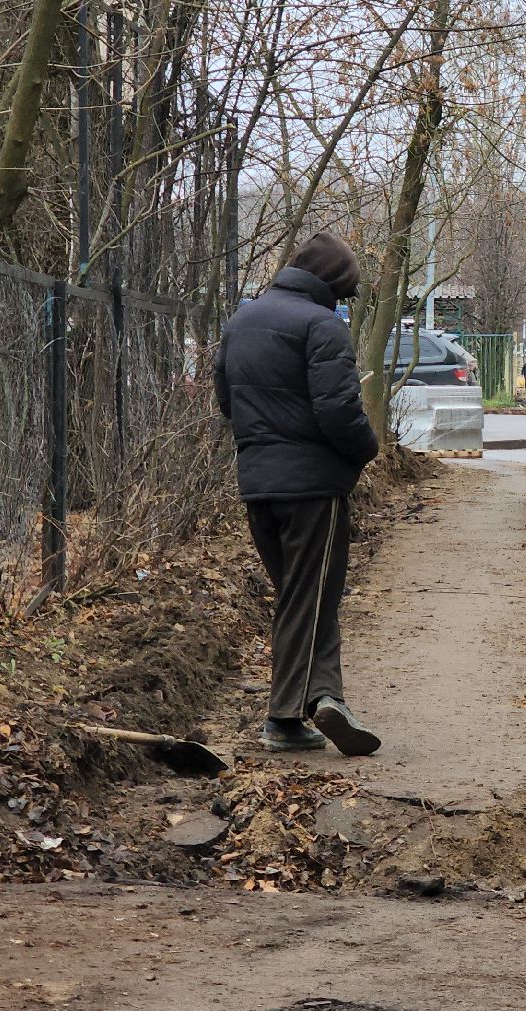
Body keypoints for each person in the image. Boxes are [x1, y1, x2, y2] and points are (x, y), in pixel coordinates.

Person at [214, 233, 383, 755]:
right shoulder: (321, 326)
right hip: (313, 488)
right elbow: (339, 412)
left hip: (258, 484)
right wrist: (366, 450)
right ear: (332, 285)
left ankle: (325, 696)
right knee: (309, 595)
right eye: (345, 293)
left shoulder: (240, 321)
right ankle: (286, 715)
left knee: (303, 595)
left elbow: (225, 401)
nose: (343, 304)